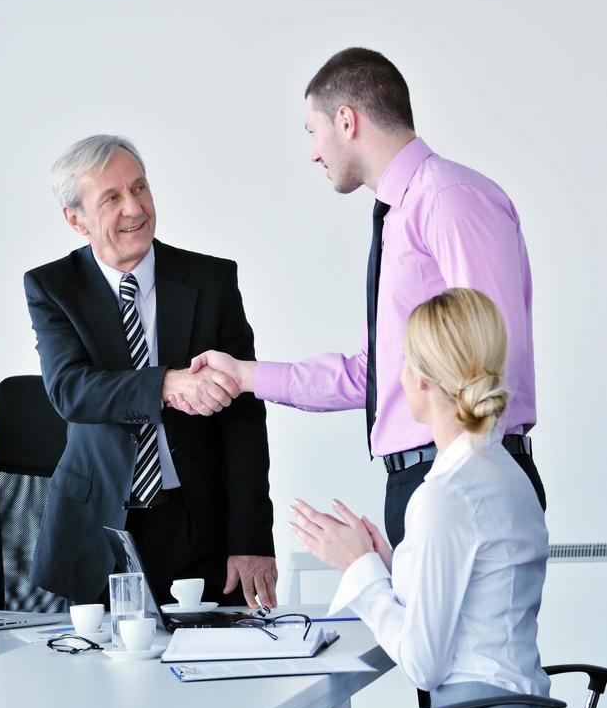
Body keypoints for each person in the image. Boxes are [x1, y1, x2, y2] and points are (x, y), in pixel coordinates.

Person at [190, 47, 545, 546]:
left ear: (346, 120)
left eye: (313, 132)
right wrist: (245, 375)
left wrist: (458, 481)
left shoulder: (448, 198)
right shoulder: (398, 215)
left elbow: (492, 352)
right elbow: (371, 376)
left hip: (464, 476)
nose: (314, 151)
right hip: (423, 479)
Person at [24, 134, 277, 607]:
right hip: (95, 531)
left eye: (139, 188)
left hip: (197, 526)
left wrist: (252, 539)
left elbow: (244, 420)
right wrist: (164, 383)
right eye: (112, 198)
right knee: (88, 679)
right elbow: (70, 389)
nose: (134, 208)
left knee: (217, 674)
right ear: (75, 219)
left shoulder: (212, 281)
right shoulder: (52, 287)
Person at [291, 288, 550, 708]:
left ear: (426, 379)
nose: (400, 375)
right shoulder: (501, 469)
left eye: (406, 360)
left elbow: (422, 664)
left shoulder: (446, 495)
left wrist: (359, 570)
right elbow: (474, 591)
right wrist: (386, 564)